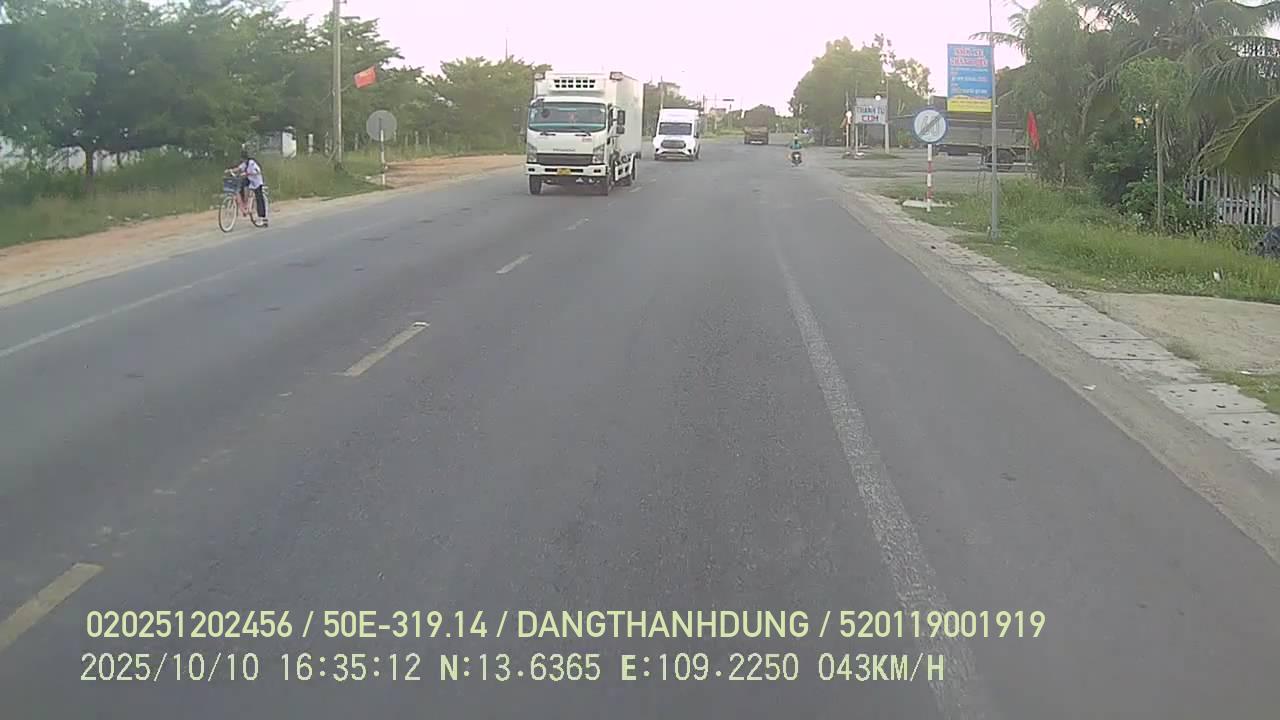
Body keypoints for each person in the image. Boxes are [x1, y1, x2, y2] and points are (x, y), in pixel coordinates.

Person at [227, 149, 268, 226]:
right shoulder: (244, 164)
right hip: (250, 181)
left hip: (257, 182)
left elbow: (257, 171)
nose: (242, 161)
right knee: (242, 187)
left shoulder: (252, 163)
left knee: (259, 199)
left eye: (243, 159)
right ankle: (245, 204)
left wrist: (247, 173)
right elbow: (238, 168)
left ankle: (263, 218)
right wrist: (230, 171)